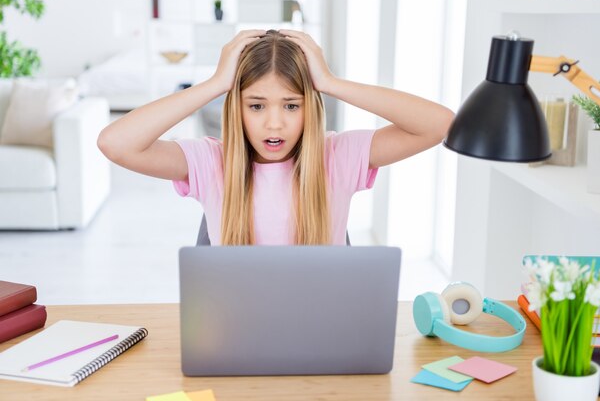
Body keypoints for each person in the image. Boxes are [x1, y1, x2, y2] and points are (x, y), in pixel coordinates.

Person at [98, 29, 454, 246]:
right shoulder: (210, 163)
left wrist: (330, 82)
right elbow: (115, 143)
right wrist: (216, 84)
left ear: (310, 107)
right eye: (255, 106)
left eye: (290, 106)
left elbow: (439, 124)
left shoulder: (338, 157)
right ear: (236, 108)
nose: (274, 125)